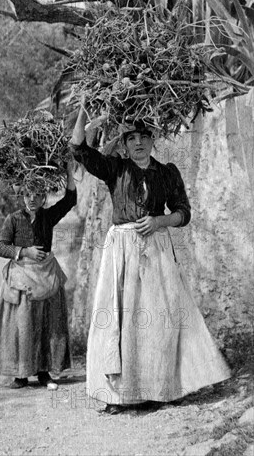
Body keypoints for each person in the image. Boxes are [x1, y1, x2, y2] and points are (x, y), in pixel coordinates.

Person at [70, 100, 231, 414]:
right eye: (131, 137)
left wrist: (160, 221)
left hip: (156, 248)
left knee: (161, 317)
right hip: (121, 250)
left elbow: (183, 213)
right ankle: (119, 395)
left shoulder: (167, 173)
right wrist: (85, 107)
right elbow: (78, 147)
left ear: (154, 138)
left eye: (144, 136)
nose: (139, 142)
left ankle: (164, 388)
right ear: (125, 144)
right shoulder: (114, 169)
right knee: (120, 318)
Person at [0, 163, 77, 390]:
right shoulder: (13, 219)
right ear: (22, 195)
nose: (31, 199)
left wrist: (68, 170)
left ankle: (44, 371)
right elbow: (0, 247)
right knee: (23, 324)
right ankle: (20, 373)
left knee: (47, 323)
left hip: (46, 275)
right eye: (28, 194)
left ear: (44, 198)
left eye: (38, 195)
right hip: (21, 277)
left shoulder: (48, 217)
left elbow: (70, 201)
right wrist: (23, 251)